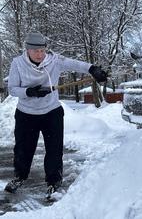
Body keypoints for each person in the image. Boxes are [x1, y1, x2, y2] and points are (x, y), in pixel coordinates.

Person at [5, 32, 107, 197]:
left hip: (51, 112)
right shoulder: (18, 63)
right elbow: (13, 89)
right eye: (36, 51)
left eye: (42, 51)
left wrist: (92, 69)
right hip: (26, 114)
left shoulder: (54, 60)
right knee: (23, 149)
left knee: (54, 149)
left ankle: (54, 182)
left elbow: (75, 64)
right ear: (28, 50)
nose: (40, 54)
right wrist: (29, 91)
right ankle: (19, 177)